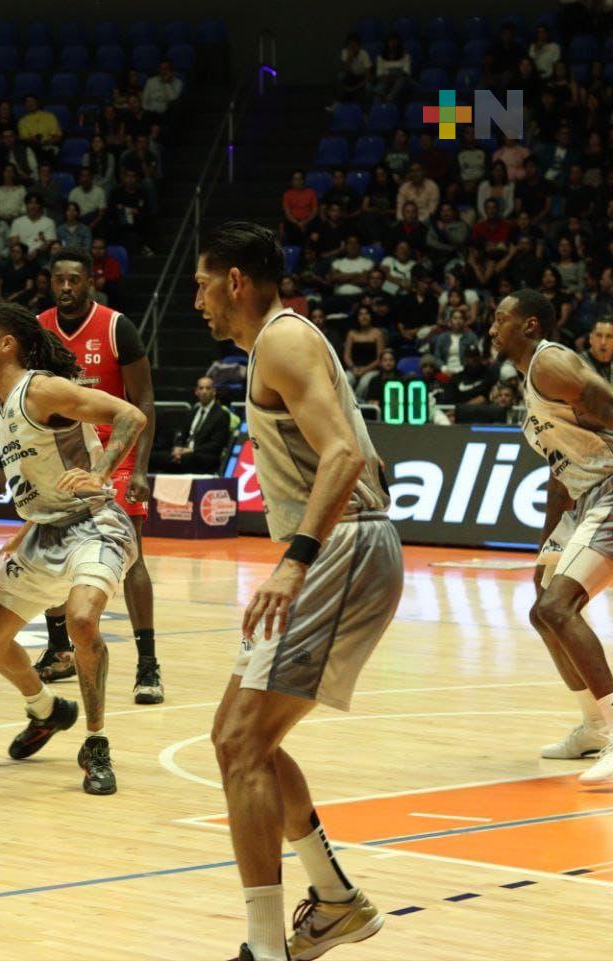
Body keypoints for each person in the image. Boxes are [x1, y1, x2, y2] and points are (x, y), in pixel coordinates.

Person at [196, 221, 400, 961]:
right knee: (236, 736)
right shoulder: (273, 347)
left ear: (236, 282)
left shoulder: (283, 340)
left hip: (344, 545)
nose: (197, 302)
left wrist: (295, 562)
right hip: (341, 546)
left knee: (242, 742)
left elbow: (343, 454)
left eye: (202, 285)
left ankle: (264, 947)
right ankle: (335, 899)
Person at [0, 303, 146, 794]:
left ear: (7, 344)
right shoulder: (1, 416)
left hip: (94, 524)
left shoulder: (40, 389)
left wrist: (101, 472)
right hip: (44, 534)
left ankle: (95, 742)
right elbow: (42, 479)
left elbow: (130, 415)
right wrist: (26, 527)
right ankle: (46, 710)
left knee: (82, 620)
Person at [489, 289, 613, 780]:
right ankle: (594, 727)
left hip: (610, 486)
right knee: (543, 608)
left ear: (531, 325)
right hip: (582, 496)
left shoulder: (552, 363)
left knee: (558, 607)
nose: (492, 328)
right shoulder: (531, 381)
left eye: (501, 319)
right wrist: (547, 542)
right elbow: (559, 475)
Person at [31, 249, 161, 702]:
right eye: (59, 280)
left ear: (91, 282)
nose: (66, 287)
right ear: (51, 282)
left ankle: (148, 666)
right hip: (62, 456)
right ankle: (59, 651)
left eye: (75, 280)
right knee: (50, 553)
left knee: (131, 557)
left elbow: (144, 401)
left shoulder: (117, 327)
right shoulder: (38, 328)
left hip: (114, 455)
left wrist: (140, 468)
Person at [163, 376, 230, 474]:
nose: (204, 391)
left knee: (187, 458)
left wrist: (192, 450)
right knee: (161, 456)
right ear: (196, 391)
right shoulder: (192, 412)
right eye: (201, 388)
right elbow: (182, 434)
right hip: (186, 452)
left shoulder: (222, 414)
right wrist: (177, 447)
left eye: (208, 388)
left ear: (214, 391)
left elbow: (217, 444)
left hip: (206, 455)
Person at [582, 316, 613, 381]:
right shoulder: (578, 364)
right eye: (599, 335)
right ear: (590, 338)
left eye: (609, 336)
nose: (603, 342)